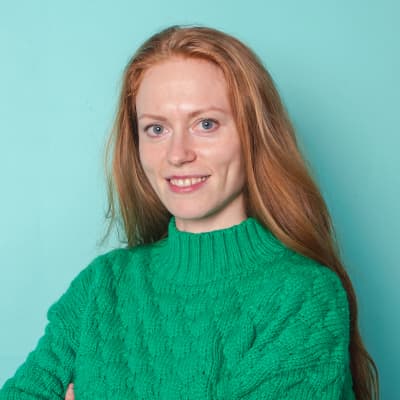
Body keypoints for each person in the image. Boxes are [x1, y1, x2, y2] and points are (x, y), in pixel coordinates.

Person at [0, 25, 379, 400]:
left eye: (206, 124)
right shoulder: (103, 285)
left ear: (253, 135)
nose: (178, 154)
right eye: (156, 129)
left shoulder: (302, 296)